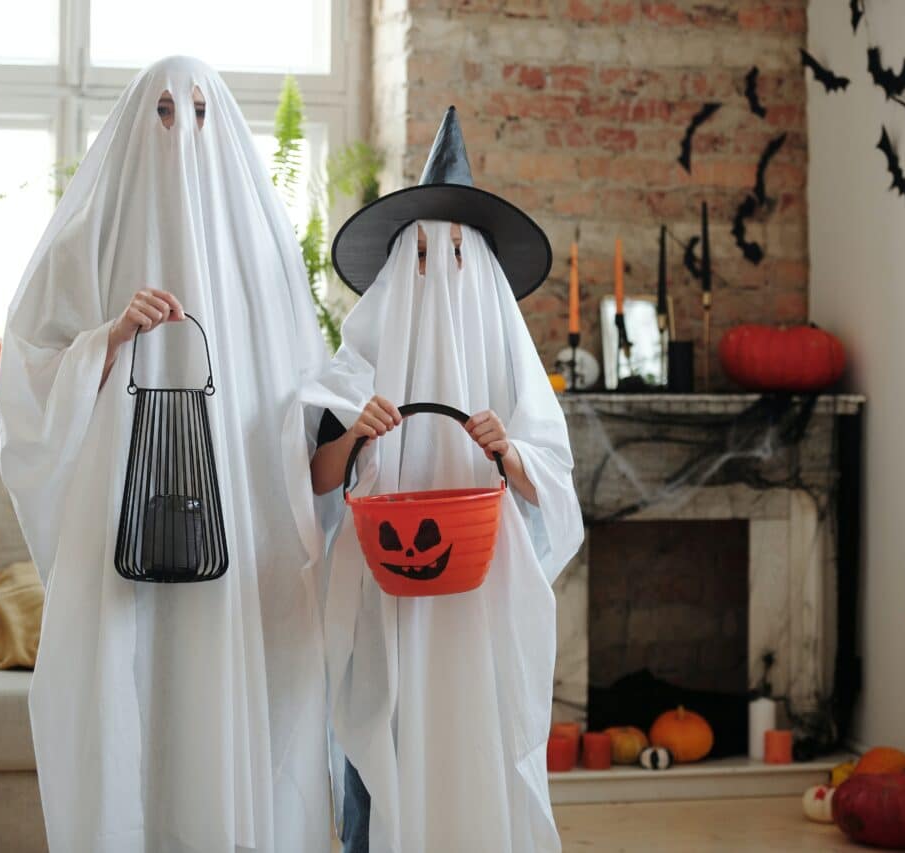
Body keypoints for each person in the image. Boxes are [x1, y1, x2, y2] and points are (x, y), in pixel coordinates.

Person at [0, 56, 330, 852]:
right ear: (138, 122)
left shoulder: (259, 254)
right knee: (131, 685)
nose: (184, 133)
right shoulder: (91, 233)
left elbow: (297, 397)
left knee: (225, 689)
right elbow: (29, 366)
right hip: (122, 518)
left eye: (203, 113)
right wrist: (110, 336)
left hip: (240, 523)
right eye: (166, 113)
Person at [282, 107, 584, 853]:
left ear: (479, 268)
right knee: (388, 739)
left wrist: (509, 451)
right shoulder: (356, 366)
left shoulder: (511, 369)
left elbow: (555, 485)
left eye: (455, 255)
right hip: (385, 596)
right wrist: (356, 433)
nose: (436, 275)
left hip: (479, 598)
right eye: (419, 255)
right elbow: (315, 479)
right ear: (395, 266)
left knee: (468, 734)